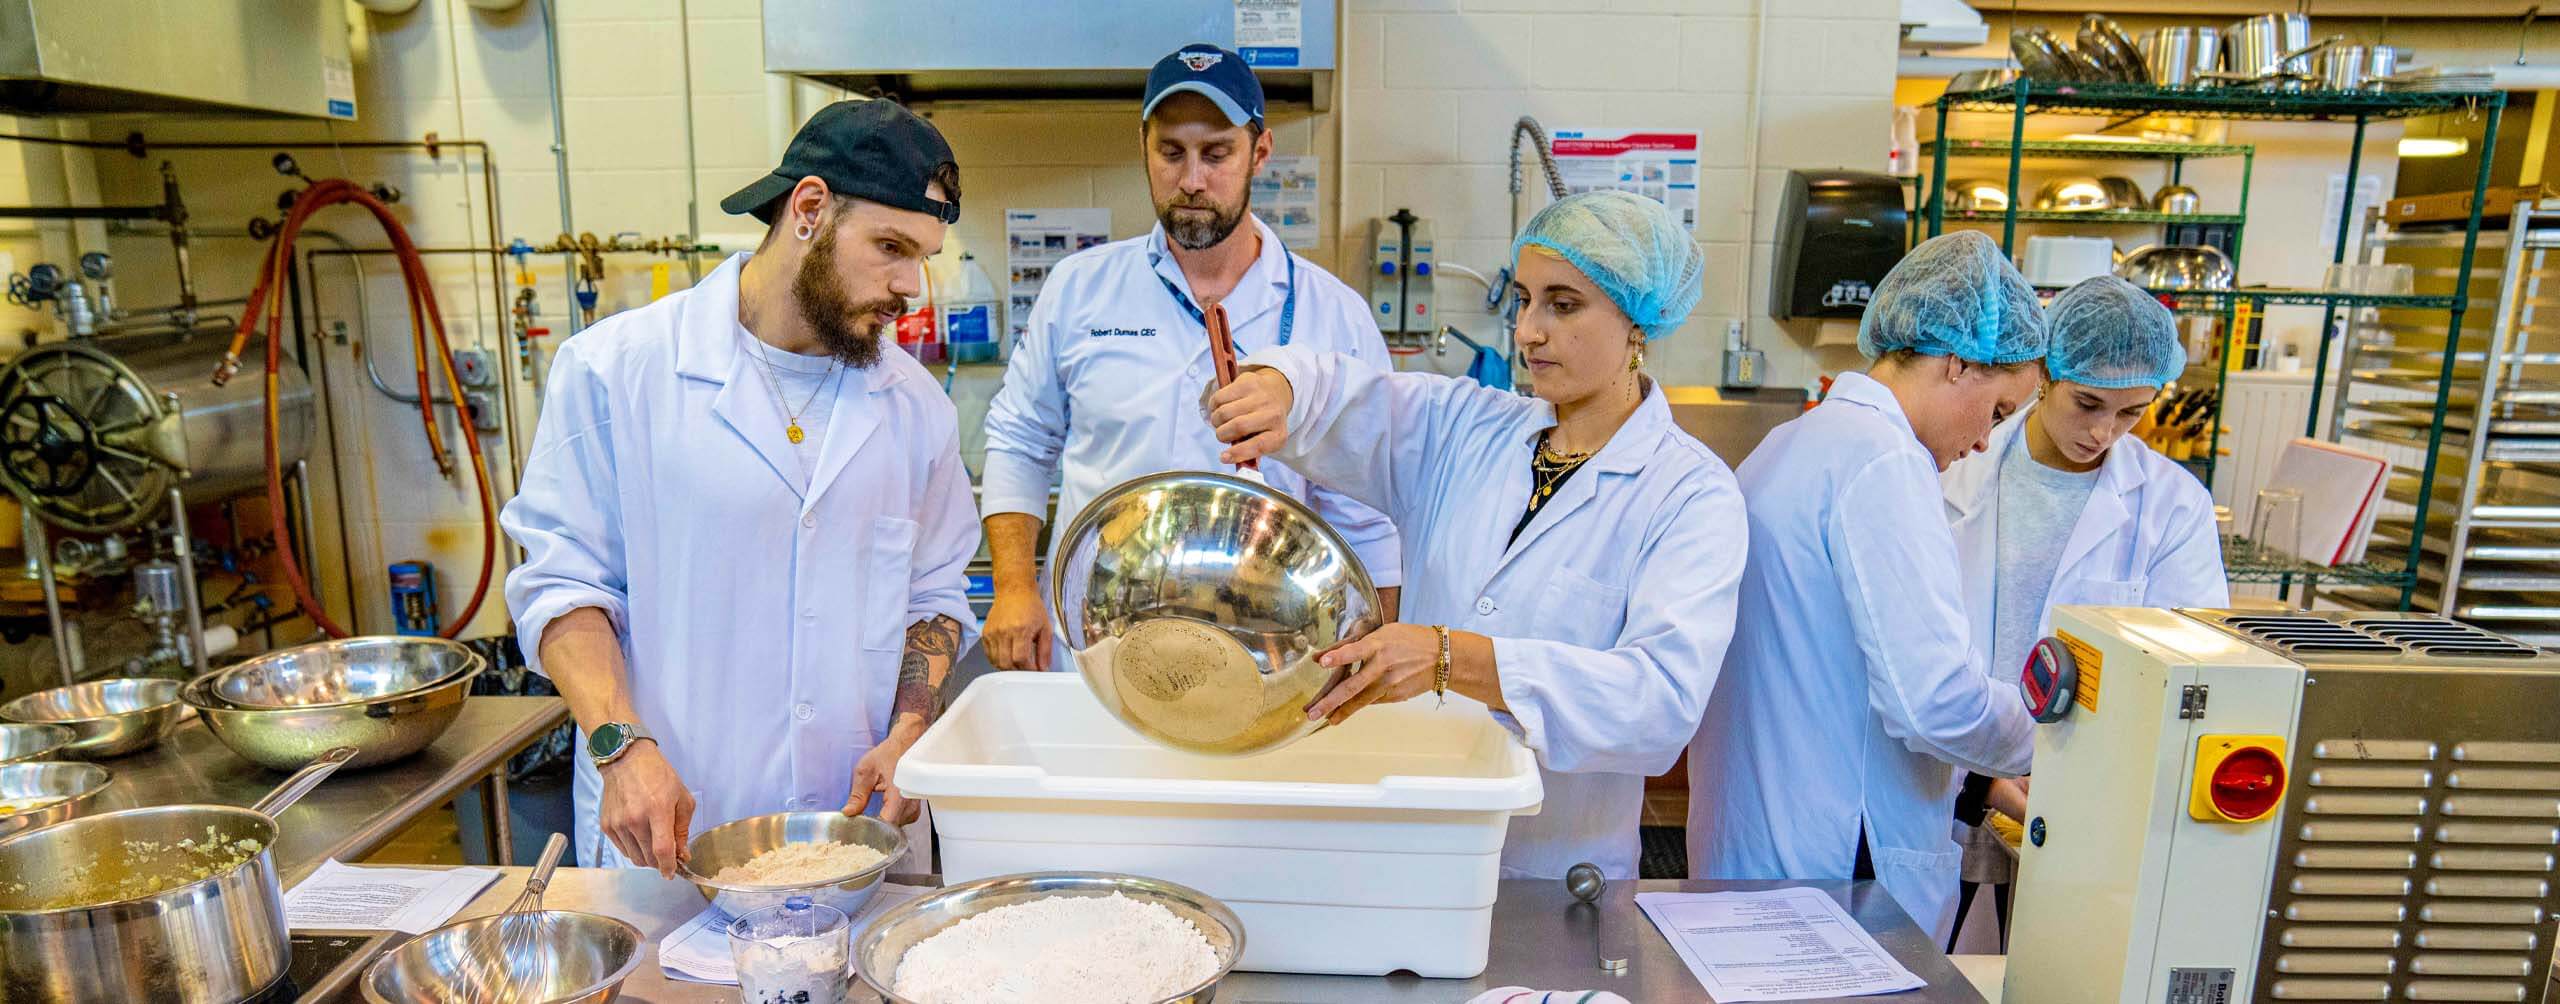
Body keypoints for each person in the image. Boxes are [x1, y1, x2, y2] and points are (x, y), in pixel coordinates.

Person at [1206, 190, 1745, 879]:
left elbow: (1661, 705)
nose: (1527, 330)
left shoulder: (1690, 495)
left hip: (1556, 871)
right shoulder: (1465, 426)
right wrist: (1277, 386)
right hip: (1416, 845)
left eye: (1563, 304)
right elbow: (1336, 391)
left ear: (1637, 321)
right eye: (1523, 299)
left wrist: (1448, 658)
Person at [501, 100, 979, 875]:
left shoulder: (914, 406)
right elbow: (564, 588)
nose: (911, 287)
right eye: (891, 247)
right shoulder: (617, 371)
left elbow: (933, 597)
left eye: (924, 255)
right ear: (810, 208)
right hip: (675, 828)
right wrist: (622, 749)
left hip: (858, 840)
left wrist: (910, 731)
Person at [978, 44, 1400, 672]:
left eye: (1217, 153)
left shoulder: (1333, 315)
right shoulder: (1079, 287)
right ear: (1144, 148)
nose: (1192, 179)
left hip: (1268, 659)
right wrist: (1013, 586)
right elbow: (1019, 440)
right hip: (1095, 656)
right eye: (1171, 152)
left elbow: (1371, 505)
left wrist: (1376, 647)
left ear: (1259, 152)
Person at [1687, 230, 2048, 939]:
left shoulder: (1797, 442)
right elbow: (1934, 703)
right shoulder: (1883, 461)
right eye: (1999, 411)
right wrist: (2052, 739)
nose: (1984, 442)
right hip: (1832, 868)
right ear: (1956, 362)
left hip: (1761, 843)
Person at [1936, 275, 2227, 945]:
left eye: (2131, 413)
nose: (2103, 432)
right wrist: (1984, 776)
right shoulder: (1955, 473)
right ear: (2044, 372)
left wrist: (2059, 776)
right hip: (1946, 783)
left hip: (2084, 799)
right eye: (2087, 403)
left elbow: (2186, 671)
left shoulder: (2171, 507)